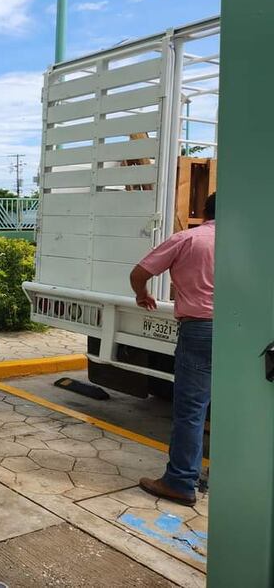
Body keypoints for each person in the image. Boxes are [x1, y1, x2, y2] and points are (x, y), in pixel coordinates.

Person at [131, 192, 216, 506]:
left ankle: (180, 481)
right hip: (242, 331)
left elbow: (139, 273)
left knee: (191, 411)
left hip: (200, 328)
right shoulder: (252, 240)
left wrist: (142, 294)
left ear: (203, 211)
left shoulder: (189, 238)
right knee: (238, 410)